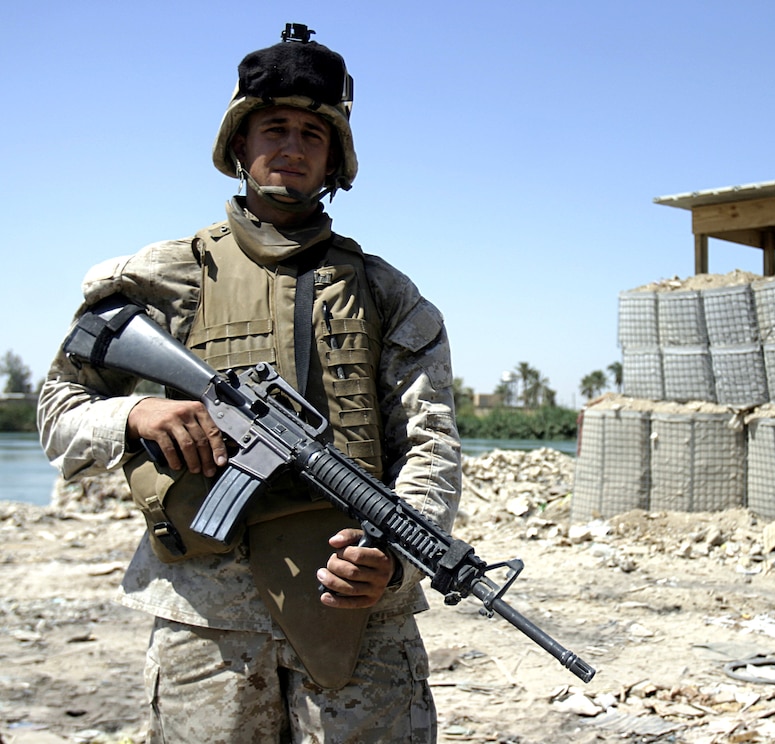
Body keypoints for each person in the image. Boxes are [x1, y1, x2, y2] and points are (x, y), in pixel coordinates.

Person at [37, 23, 460, 743]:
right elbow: (57, 410)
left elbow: (431, 443)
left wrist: (393, 562)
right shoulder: (161, 276)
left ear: (334, 160)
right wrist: (136, 414)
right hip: (208, 623)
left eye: (311, 134)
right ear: (239, 144)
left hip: (357, 612)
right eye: (273, 128)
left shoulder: (387, 295)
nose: (291, 147)